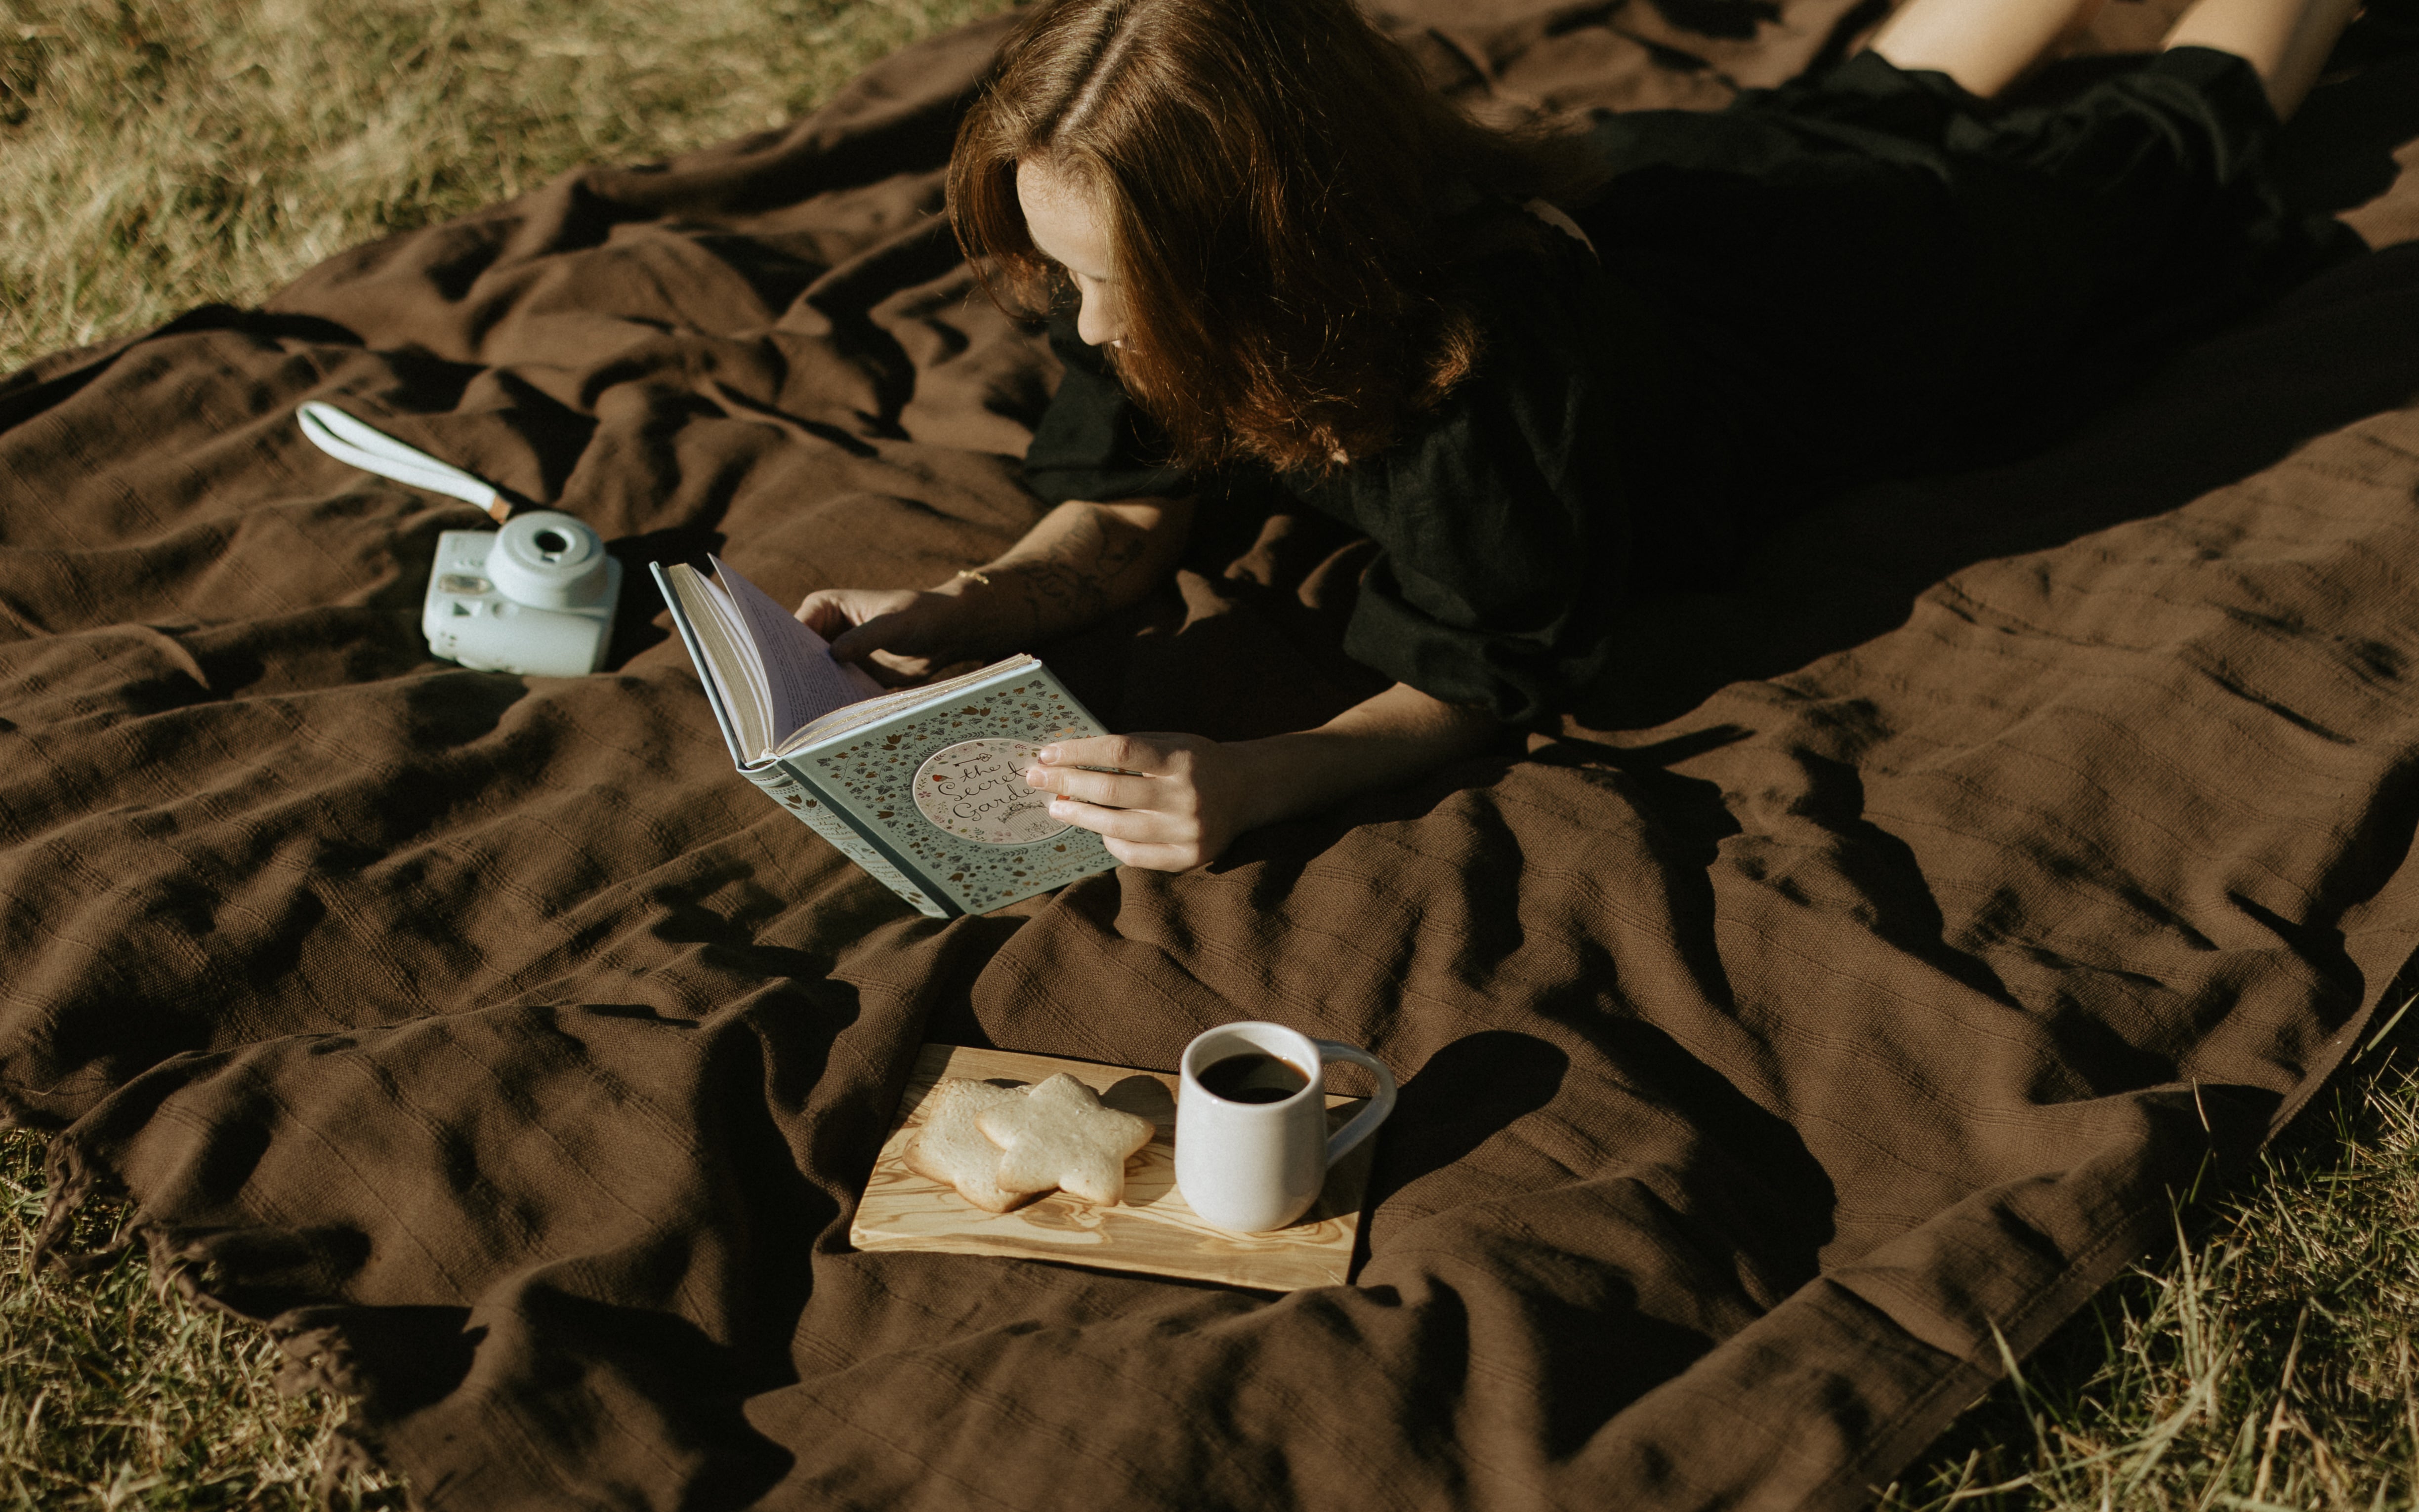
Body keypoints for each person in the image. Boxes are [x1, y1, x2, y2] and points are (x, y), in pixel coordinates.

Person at [796, 0, 2363, 872]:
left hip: (1858, 305)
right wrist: (967, 605)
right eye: (1067, 277)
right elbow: (1125, 516)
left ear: (1272, 259)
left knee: (2160, 151)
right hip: (1675, 193)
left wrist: (1266, 777)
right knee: (1867, 96)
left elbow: (1479, 680)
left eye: (1109, 287)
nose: (1084, 331)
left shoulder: (1480, 380)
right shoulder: (1180, 288)